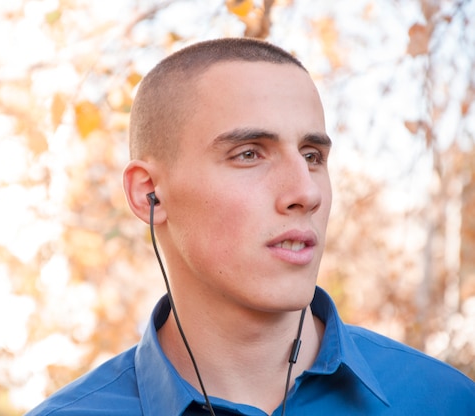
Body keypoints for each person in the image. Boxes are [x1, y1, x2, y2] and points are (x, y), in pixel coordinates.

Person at [26, 38, 475, 415]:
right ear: (149, 193)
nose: (306, 192)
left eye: (312, 156)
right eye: (249, 153)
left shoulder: (444, 400)